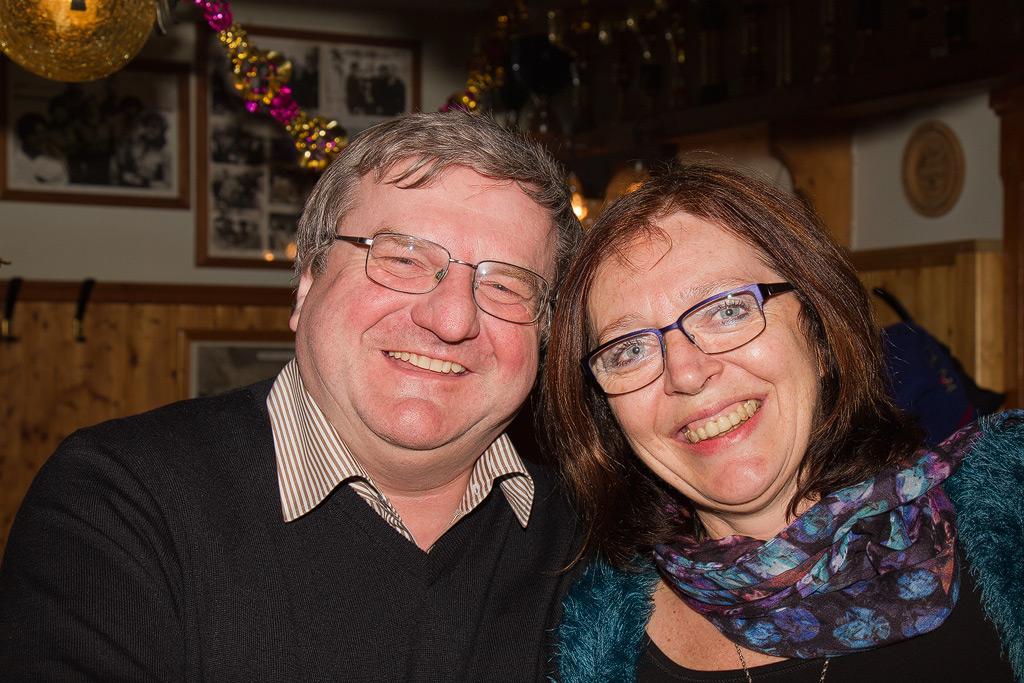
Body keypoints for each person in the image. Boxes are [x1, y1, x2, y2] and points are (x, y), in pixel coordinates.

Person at [0, 111, 584, 681]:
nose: (452, 319)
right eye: (403, 258)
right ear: (306, 285)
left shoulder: (592, 540)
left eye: (506, 286)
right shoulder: (117, 499)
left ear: (545, 334)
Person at [541, 161, 1023, 682]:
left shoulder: (1009, 523)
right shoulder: (583, 640)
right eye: (629, 349)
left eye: (727, 310)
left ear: (819, 333)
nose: (686, 373)